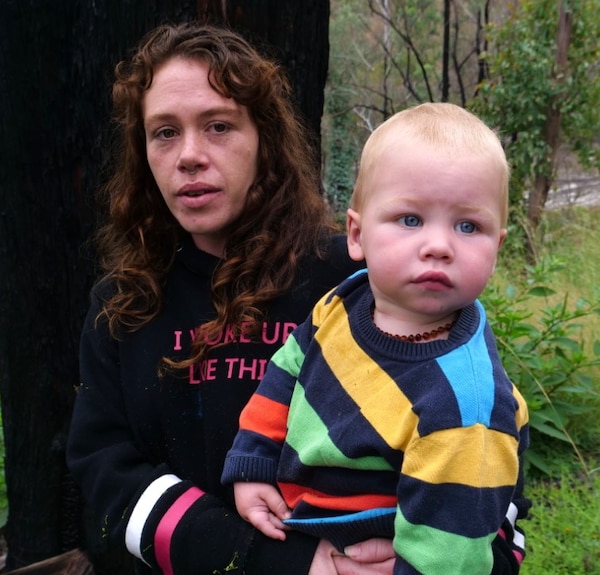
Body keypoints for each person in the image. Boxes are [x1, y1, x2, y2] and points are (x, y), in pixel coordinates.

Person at [66, 22, 400, 575]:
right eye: (164, 132)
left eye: (218, 126)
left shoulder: (352, 280)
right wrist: (277, 562)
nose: (190, 155)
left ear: (263, 140)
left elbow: (470, 428)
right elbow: (108, 476)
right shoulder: (122, 306)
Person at [221, 102, 531, 575]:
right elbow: (287, 372)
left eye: (469, 226)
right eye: (410, 219)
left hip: (382, 547)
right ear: (357, 234)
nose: (439, 245)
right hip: (303, 527)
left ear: (498, 248)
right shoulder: (344, 303)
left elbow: (451, 552)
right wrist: (253, 461)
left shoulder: (464, 405)